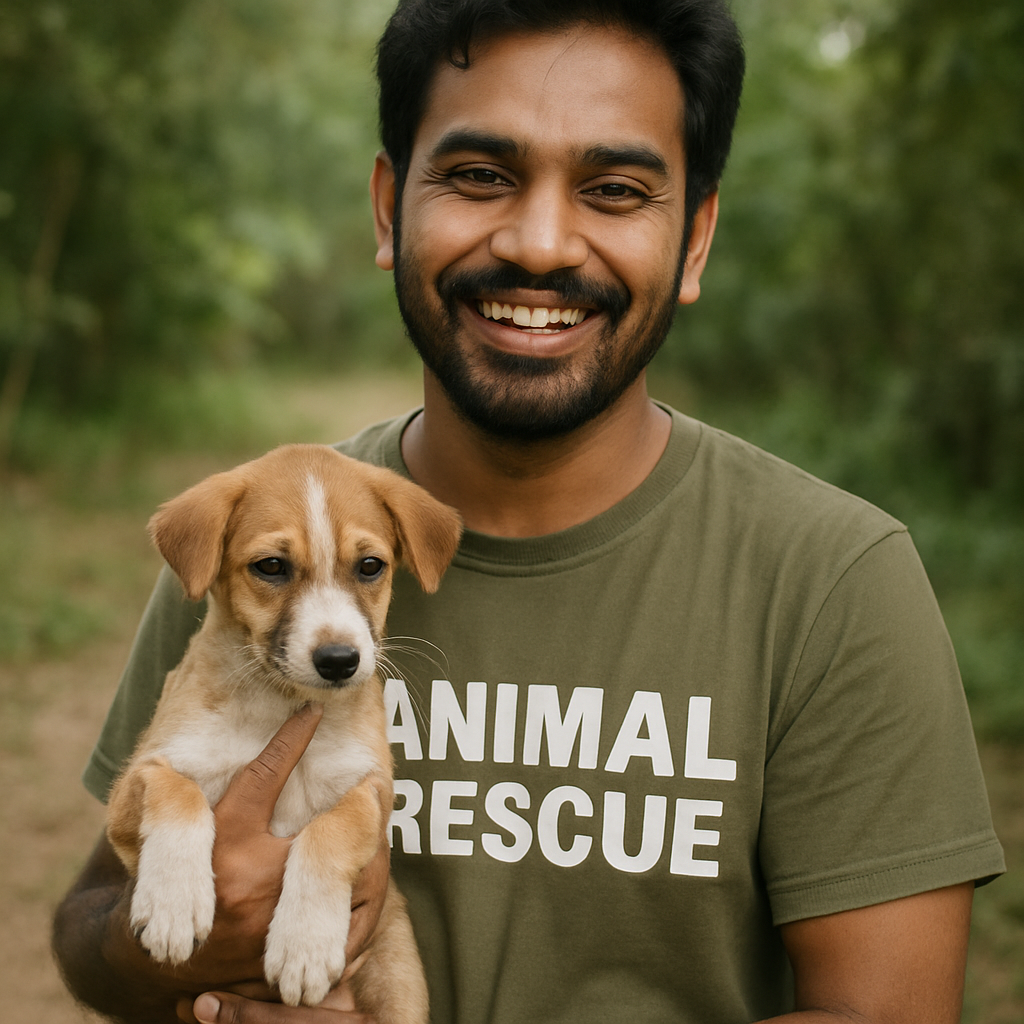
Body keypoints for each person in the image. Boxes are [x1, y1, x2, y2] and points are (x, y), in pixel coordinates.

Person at [52, 1, 1005, 1022]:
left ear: (694, 240)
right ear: (388, 210)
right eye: (478, 176)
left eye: (615, 189)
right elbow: (92, 932)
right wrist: (178, 946)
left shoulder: (830, 581)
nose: (542, 243)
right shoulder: (256, 555)